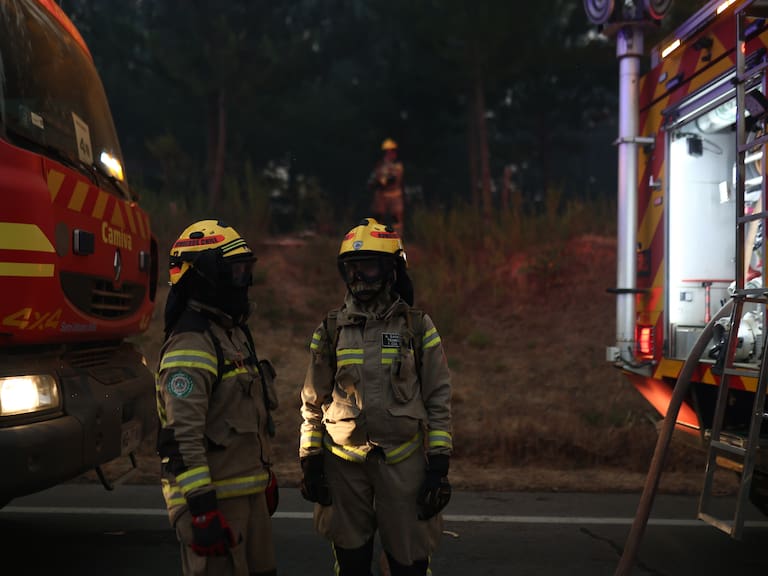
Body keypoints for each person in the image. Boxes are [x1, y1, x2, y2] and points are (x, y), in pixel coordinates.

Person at [299, 217, 453, 576]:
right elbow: (312, 400)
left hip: (403, 465)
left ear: (391, 270)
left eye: (367, 267)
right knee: (351, 562)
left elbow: (438, 398)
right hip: (343, 467)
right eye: (351, 268)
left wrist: (439, 465)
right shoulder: (331, 327)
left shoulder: (417, 327)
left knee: (409, 561)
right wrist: (310, 458)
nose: (357, 278)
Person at [156, 219, 279, 576]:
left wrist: (263, 475)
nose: (244, 281)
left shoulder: (232, 333)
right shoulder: (191, 345)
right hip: (213, 503)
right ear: (204, 276)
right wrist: (202, 508)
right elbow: (182, 437)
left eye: (246, 270)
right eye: (235, 272)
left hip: (247, 498)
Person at [368, 138, 405, 238]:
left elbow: (393, 179)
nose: (391, 154)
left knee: (396, 219)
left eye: (392, 151)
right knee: (378, 218)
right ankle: (377, 239)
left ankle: (397, 239)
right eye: (388, 151)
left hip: (394, 195)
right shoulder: (379, 165)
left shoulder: (397, 165)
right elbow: (372, 180)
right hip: (381, 196)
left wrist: (381, 182)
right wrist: (375, 183)